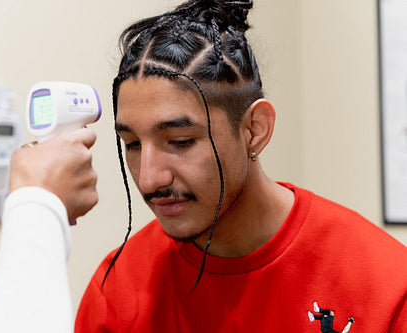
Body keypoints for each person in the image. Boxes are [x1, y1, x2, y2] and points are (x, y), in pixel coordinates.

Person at [73, 0, 407, 332]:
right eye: (132, 144)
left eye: (181, 141)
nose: (148, 179)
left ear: (254, 129)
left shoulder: (386, 286)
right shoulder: (116, 292)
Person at [0, 130, 98, 333]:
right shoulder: (114, 284)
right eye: (132, 144)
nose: (148, 180)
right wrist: (38, 198)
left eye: (170, 141)